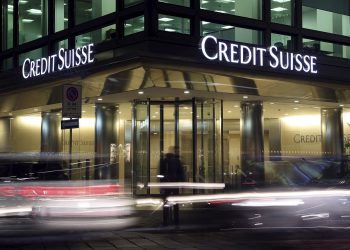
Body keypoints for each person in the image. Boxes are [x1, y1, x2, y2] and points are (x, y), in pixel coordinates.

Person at [159, 146, 185, 226]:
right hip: (174, 184)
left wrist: (162, 185)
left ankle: (166, 221)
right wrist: (182, 184)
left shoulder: (164, 161)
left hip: (167, 184)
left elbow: (161, 174)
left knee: (166, 203)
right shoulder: (177, 161)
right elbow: (181, 173)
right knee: (175, 203)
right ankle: (176, 220)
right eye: (177, 151)